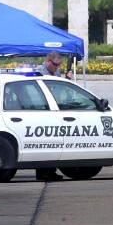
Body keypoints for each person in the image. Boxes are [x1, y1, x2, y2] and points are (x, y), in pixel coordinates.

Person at [35, 50, 71, 181]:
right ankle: (43, 172)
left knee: (53, 142)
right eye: (55, 65)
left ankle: (50, 171)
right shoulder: (39, 71)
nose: (57, 67)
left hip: (52, 109)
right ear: (47, 61)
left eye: (59, 65)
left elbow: (58, 88)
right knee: (45, 142)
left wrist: (66, 80)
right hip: (41, 109)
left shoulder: (56, 72)